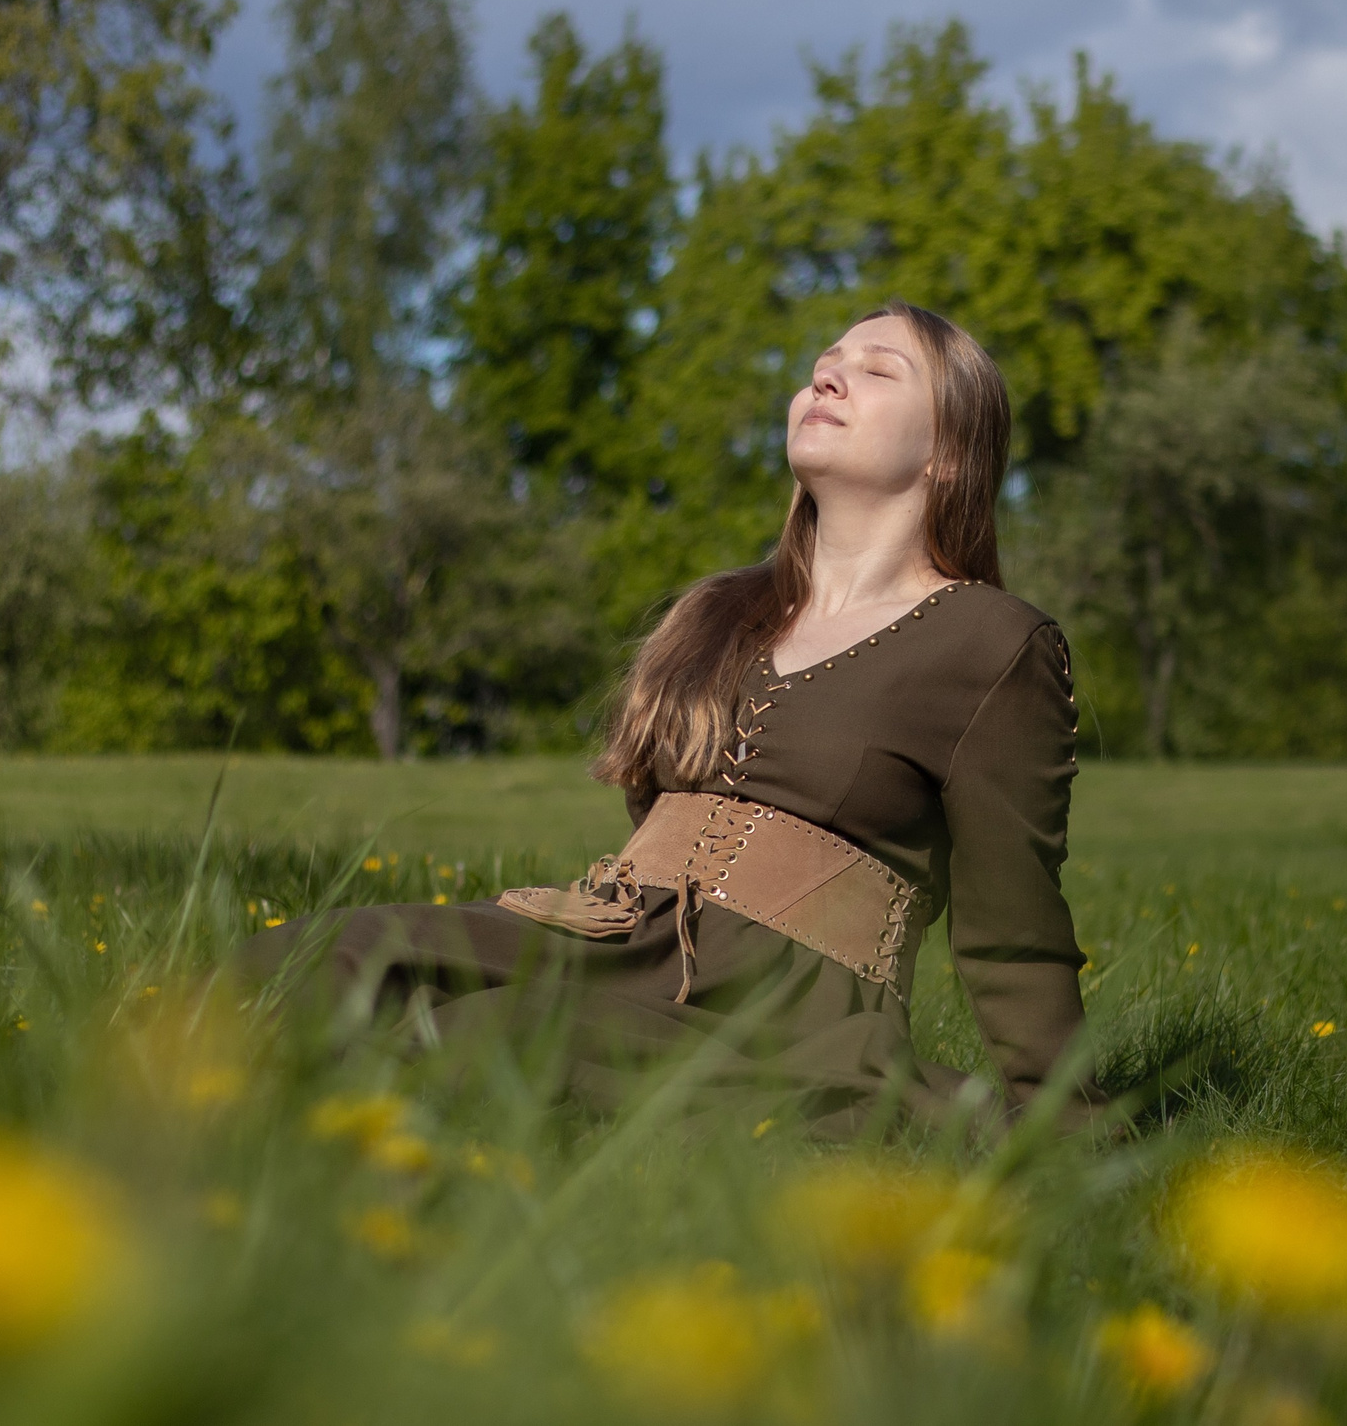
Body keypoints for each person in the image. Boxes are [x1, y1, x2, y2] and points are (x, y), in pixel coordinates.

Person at [232, 300, 1094, 1136]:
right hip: (616, 937)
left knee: (482, 1036)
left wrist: (1067, 1121)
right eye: (823, 366)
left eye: (877, 370)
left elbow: (1013, 929)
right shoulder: (718, 611)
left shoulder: (992, 642)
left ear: (950, 452)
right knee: (309, 956)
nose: (827, 379)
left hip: (787, 1008)